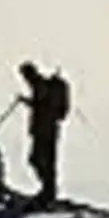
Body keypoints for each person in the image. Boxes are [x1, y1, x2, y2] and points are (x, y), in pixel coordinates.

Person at [17, 62, 71, 205]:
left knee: (37, 159)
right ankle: (49, 190)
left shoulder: (38, 84)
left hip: (42, 130)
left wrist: (26, 101)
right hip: (51, 129)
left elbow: (40, 103)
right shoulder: (44, 85)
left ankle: (48, 190)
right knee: (48, 160)